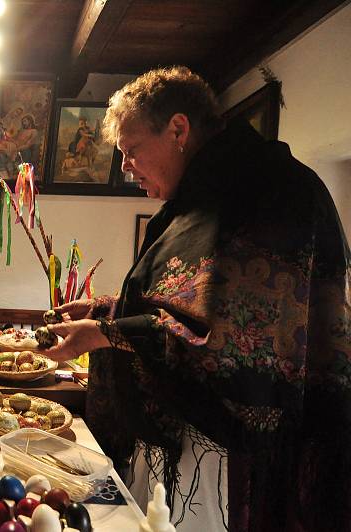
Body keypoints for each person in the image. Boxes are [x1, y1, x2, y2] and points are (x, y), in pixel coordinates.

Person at [44, 66, 351, 531]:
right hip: (181, 441)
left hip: (228, 457)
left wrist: (106, 332)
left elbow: (234, 338)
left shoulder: (272, 190)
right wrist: (106, 311)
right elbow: (180, 305)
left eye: (131, 151)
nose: (125, 167)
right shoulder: (196, 199)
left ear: (178, 129)